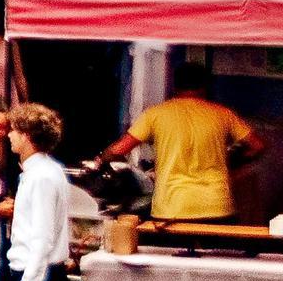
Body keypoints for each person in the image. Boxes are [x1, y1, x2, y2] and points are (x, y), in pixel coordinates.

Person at [109, 71, 260, 224]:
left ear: (175, 87)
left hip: (172, 208)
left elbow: (117, 150)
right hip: (217, 206)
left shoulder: (155, 114)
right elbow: (257, 146)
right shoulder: (224, 114)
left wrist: (102, 158)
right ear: (204, 88)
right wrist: (232, 166)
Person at [5, 105, 77, 281]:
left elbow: (42, 238)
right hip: (42, 275)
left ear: (27, 136)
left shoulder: (41, 177)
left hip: (38, 279)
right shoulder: (45, 171)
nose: (9, 135)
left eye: (14, 130)